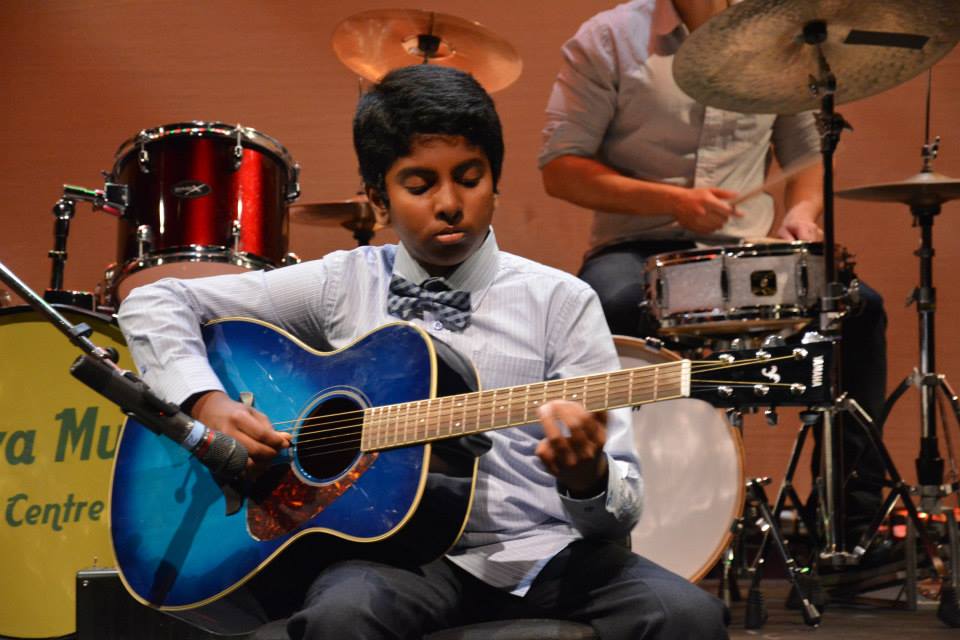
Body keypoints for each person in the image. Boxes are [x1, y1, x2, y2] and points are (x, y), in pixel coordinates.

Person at [118, 64, 728, 640]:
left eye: (470, 177)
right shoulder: (342, 282)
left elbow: (617, 510)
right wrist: (206, 401)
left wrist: (585, 474)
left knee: (687, 616)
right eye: (419, 183)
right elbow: (154, 301)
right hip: (396, 557)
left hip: (544, 552)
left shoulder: (561, 301)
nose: (449, 202)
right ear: (378, 202)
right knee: (339, 619)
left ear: (495, 179)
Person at [539, 0, 887, 550]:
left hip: (746, 250)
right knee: (613, 303)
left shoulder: (782, 39)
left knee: (860, 310)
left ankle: (851, 530)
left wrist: (801, 214)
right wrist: (672, 202)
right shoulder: (608, 38)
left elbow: (806, 156)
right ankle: (617, 517)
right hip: (637, 245)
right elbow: (561, 168)